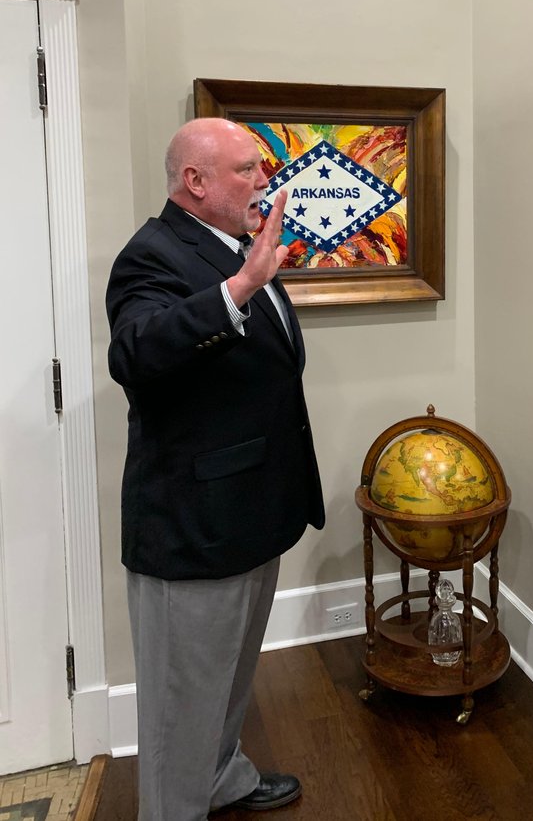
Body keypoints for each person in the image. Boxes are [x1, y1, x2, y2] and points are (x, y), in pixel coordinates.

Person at [106, 117, 324, 820]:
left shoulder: (234, 244)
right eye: (246, 169)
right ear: (194, 182)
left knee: (227, 684)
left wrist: (247, 273)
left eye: (261, 168)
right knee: (181, 706)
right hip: (192, 527)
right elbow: (135, 353)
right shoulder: (153, 253)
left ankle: (223, 777)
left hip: (253, 515)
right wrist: (241, 287)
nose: (264, 180)